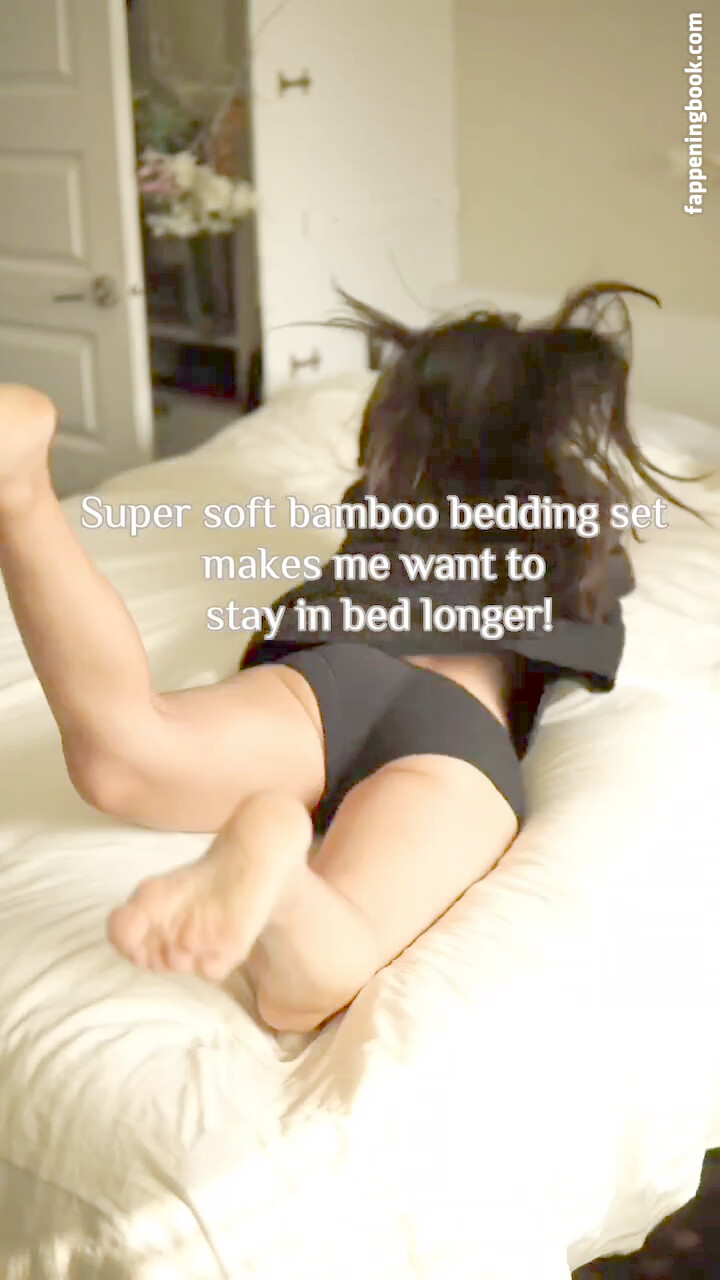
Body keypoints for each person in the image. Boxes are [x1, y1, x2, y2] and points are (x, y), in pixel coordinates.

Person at [0, 282, 689, 1033]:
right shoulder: (580, 540)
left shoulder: (384, 503)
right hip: (458, 733)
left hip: (339, 672)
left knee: (127, 750)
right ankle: (281, 879)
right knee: (313, 980)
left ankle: (22, 496)